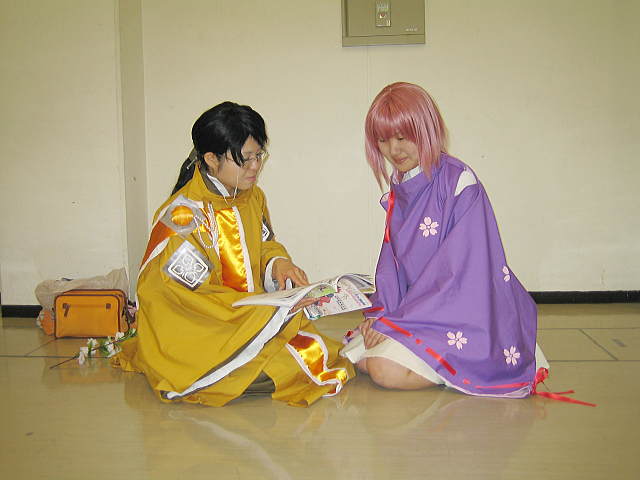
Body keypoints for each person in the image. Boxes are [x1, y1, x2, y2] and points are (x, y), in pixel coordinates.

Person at [113, 101, 354, 407]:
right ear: (211, 159)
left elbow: (264, 243)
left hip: (243, 317)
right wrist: (267, 311)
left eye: (258, 155)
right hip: (197, 328)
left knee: (316, 352)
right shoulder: (183, 218)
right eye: (245, 159)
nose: (255, 167)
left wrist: (278, 263)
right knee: (279, 366)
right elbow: (189, 299)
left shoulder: (252, 197)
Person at [343, 82, 549, 397]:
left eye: (402, 137)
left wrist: (398, 324)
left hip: (465, 315)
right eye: (383, 140)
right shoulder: (401, 186)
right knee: (353, 355)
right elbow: (392, 266)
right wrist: (381, 316)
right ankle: (422, 355)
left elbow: (462, 273)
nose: (394, 150)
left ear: (427, 129)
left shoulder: (459, 182)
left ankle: (451, 367)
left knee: (383, 370)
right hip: (419, 312)